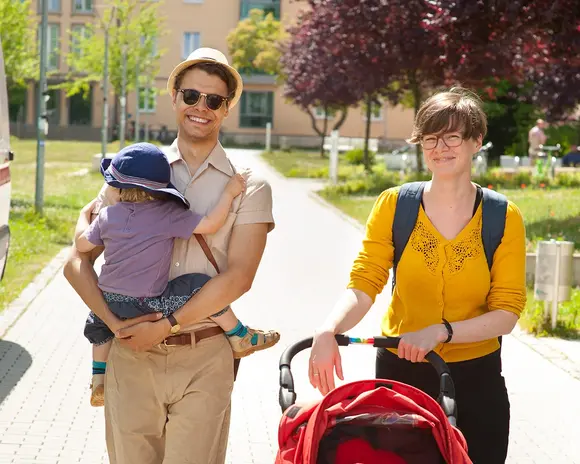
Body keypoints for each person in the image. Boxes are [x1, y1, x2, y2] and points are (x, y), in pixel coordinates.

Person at [64, 47, 276, 463]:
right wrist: (113, 324)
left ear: (228, 107)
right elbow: (77, 261)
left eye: (215, 100)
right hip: (131, 354)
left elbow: (239, 278)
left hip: (205, 355)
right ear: (174, 96)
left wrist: (165, 325)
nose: (202, 107)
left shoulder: (249, 186)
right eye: (192, 95)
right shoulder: (134, 171)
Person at [308, 88, 526, 464]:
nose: (440, 147)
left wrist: (442, 331)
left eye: (452, 136)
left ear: (476, 141)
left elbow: (507, 312)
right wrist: (328, 330)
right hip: (401, 376)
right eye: (430, 138)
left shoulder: (502, 217)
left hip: (477, 380)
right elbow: (364, 282)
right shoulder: (395, 205)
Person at [76, 142, 280, 408]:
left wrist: (83, 216)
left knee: (97, 324)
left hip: (111, 303)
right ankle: (239, 334)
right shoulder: (167, 214)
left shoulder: (106, 216)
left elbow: (81, 245)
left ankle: (98, 379)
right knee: (200, 284)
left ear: (118, 187)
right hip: (150, 304)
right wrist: (229, 194)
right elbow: (211, 224)